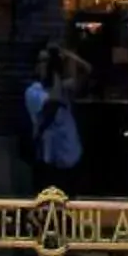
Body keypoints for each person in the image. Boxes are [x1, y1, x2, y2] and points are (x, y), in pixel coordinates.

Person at [24, 44, 83, 195]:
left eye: (48, 61)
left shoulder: (61, 86)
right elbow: (52, 104)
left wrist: (69, 55)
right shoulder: (33, 91)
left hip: (70, 154)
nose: (45, 66)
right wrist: (56, 73)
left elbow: (87, 71)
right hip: (48, 159)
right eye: (42, 62)